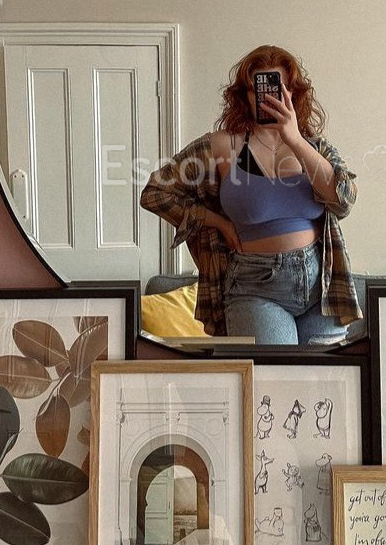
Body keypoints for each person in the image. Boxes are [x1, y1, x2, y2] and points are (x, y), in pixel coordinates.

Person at [140, 45, 362, 344]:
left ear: (293, 93)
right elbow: (155, 193)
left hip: (322, 288)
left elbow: (343, 201)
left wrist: (294, 138)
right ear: (244, 95)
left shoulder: (314, 147)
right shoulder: (222, 146)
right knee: (274, 373)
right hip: (255, 286)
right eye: (258, 88)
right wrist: (216, 221)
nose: (270, 97)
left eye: (279, 88)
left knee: (326, 375)